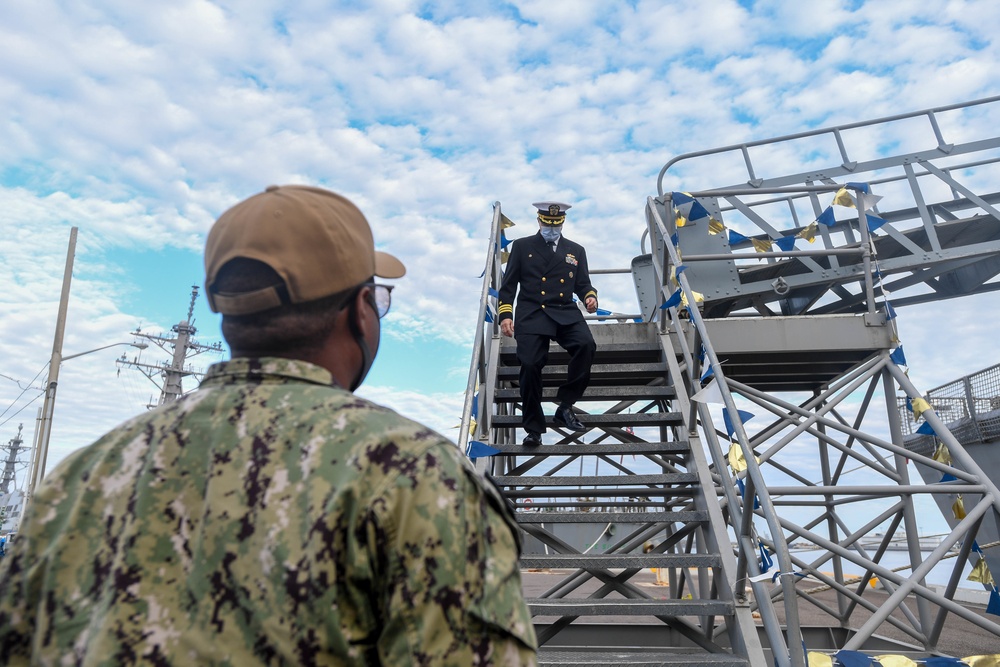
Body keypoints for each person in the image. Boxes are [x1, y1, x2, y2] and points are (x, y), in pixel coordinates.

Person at [0, 185, 537, 666]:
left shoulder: (77, 480)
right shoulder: (415, 476)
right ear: (361, 310)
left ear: (229, 313)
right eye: (379, 297)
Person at [498, 202, 598, 447]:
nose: (551, 229)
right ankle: (533, 429)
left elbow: (583, 283)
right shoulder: (521, 247)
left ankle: (565, 406)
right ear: (539, 221)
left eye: (556, 224)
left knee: (586, 345)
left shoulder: (575, 250)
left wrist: (589, 296)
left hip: (564, 311)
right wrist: (505, 314)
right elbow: (509, 285)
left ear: (562, 223)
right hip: (532, 313)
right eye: (547, 224)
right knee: (531, 365)